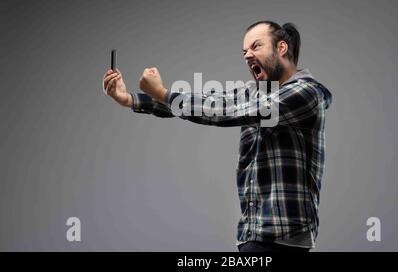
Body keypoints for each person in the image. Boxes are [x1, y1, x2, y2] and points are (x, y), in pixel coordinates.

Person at [102, 21, 332, 252]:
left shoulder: (306, 92)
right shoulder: (255, 93)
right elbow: (212, 103)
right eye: (244, 52)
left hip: (283, 238)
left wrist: (163, 93)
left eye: (256, 46)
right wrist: (130, 99)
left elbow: (225, 113)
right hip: (253, 235)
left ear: (281, 48)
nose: (247, 55)